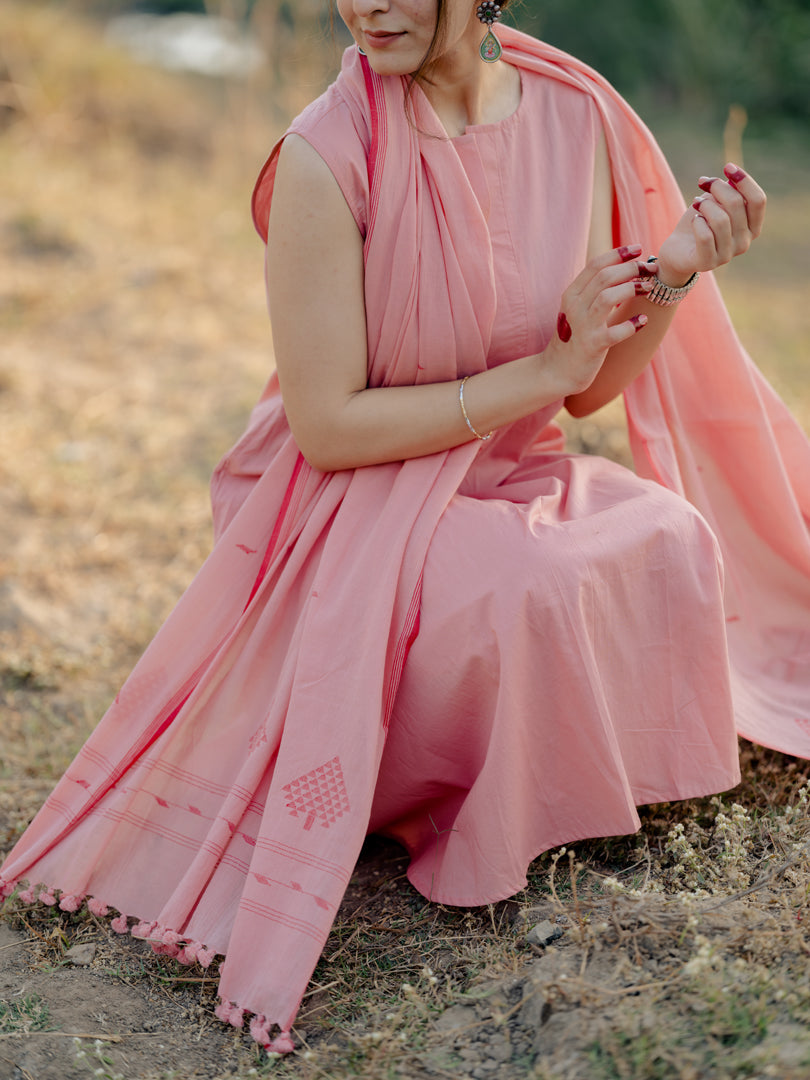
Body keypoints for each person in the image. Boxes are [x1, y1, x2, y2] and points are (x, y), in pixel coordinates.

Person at [2, 0, 810, 1056]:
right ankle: (460, 811)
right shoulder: (322, 155)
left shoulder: (570, 114)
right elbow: (330, 427)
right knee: (523, 589)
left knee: (667, 536)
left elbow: (583, 392)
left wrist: (673, 274)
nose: (369, 5)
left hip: (506, 473)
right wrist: (544, 368)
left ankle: (567, 788)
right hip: (343, 505)